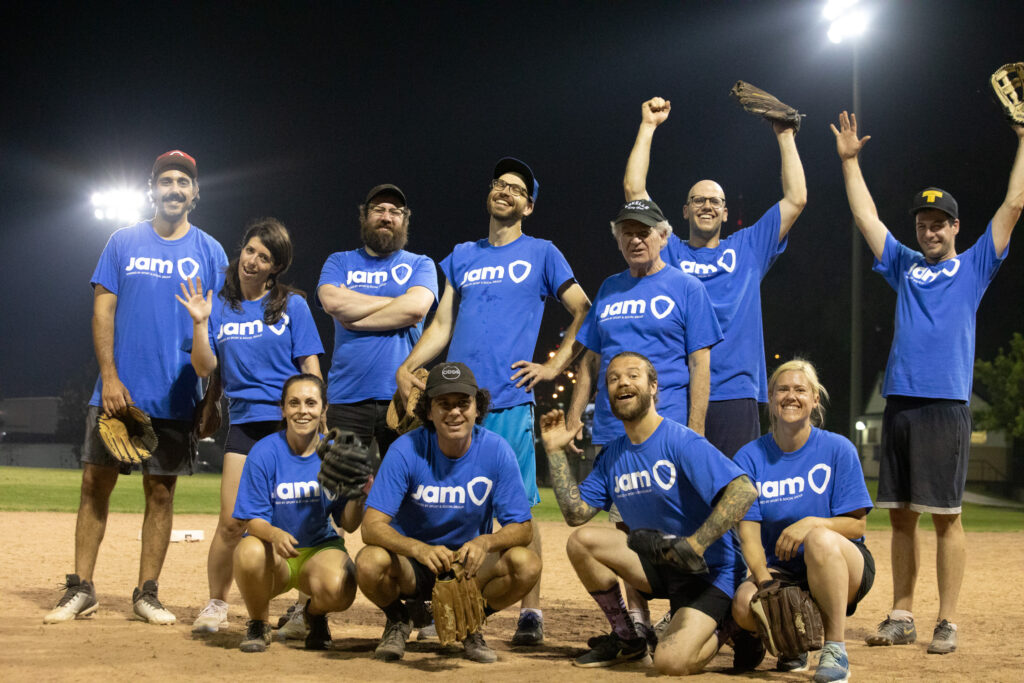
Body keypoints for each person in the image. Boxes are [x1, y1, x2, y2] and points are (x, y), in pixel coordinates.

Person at [832, 111, 1024, 654]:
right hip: (901, 402)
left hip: (945, 405)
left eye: (939, 222)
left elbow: (1013, 205)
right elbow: (867, 217)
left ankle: (948, 620)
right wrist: (850, 164)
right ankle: (902, 613)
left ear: (956, 227)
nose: (930, 229)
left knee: (946, 518)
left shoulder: (977, 264)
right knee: (900, 517)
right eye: (922, 222)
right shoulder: (904, 265)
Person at [395, 158, 591, 644]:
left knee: (518, 509)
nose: (505, 191)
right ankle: (437, 600)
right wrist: (406, 365)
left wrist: (552, 367)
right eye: (499, 184)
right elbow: (442, 325)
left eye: (517, 189)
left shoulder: (543, 253)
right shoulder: (462, 255)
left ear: (529, 205)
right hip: (452, 402)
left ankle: (532, 613)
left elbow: (584, 309)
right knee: (445, 500)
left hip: (505, 402)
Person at [45, 151, 228, 626]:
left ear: (195, 192)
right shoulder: (121, 241)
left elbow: (219, 330)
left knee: (161, 493)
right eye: (165, 180)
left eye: (182, 181)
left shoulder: (210, 251)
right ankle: (81, 587)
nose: (174, 188)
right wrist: (109, 375)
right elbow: (102, 311)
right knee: (93, 485)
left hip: (176, 394)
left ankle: (147, 593)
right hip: (117, 392)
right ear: (153, 189)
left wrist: (211, 400)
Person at [540, 352, 757, 674]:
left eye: (633, 375)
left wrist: (695, 544)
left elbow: (744, 490)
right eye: (613, 379)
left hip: (710, 571)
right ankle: (629, 640)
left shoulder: (681, 441)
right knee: (581, 541)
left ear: (653, 387)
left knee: (670, 663)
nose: (622, 382)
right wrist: (555, 452)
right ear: (606, 396)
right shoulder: (613, 455)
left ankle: (733, 625)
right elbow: (576, 514)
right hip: (662, 565)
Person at [624, 96, 807, 457]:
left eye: (714, 201)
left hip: (734, 392)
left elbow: (796, 199)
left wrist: (785, 135)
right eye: (698, 200)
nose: (706, 205)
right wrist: (647, 127)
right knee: (678, 496)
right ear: (685, 211)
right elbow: (634, 192)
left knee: (735, 494)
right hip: (678, 391)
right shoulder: (669, 249)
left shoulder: (748, 248)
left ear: (725, 213)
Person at [175, 217, 324, 634]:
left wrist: (318, 416)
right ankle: (216, 604)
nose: (253, 261)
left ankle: (301, 609)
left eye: (265, 257)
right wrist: (201, 323)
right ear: (241, 251)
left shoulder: (291, 304)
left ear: (276, 267)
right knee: (230, 522)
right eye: (251, 251)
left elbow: (309, 365)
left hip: (290, 424)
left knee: (300, 518)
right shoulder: (219, 305)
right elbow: (206, 368)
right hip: (243, 424)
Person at [356, 362, 541, 663]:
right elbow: (371, 527)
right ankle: (400, 619)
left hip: (467, 567)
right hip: (414, 564)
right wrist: (417, 548)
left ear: (477, 408)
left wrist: (485, 543)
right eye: (443, 404)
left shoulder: (497, 450)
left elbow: (522, 528)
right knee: (368, 562)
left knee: (526, 564)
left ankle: (468, 622)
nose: (454, 412)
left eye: (462, 403)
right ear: (428, 411)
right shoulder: (406, 449)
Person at [731, 359, 874, 682]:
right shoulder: (750, 457)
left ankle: (835, 649)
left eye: (800, 390)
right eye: (782, 389)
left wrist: (813, 523)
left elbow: (857, 526)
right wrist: (766, 584)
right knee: (743, 604)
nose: (791, 396)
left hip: (839, 563)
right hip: (782, 571)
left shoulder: (838, 449)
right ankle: (792, 643)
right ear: (771, 398)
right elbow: (749, 535)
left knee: (819, 538)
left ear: (814, 400)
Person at [231, 374, 362, 653]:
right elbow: (251, 519)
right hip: (274, 555)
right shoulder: (265, 451)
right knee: (247, 552)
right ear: (283, 409)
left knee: (341, 586)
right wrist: (274, 533)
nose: (303, 410)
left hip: (318, 550)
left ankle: (312, 615)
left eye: (311, 403)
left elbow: (348, 524)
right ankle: (258, 623)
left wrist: (360, 492)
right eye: (294, 403)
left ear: (324, 409)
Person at [317, 184, 437, 459]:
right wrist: (399, 303)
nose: (386, 216)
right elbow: (332, 303)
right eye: (378, 210)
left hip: (402, 396)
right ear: (364, 216)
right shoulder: (339, 261)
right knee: (340, 489)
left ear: (405, 220)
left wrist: (355, 317)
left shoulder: (421, 264)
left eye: (395, 212)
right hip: (346, 397)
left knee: (406, 491)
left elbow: (417, 309)